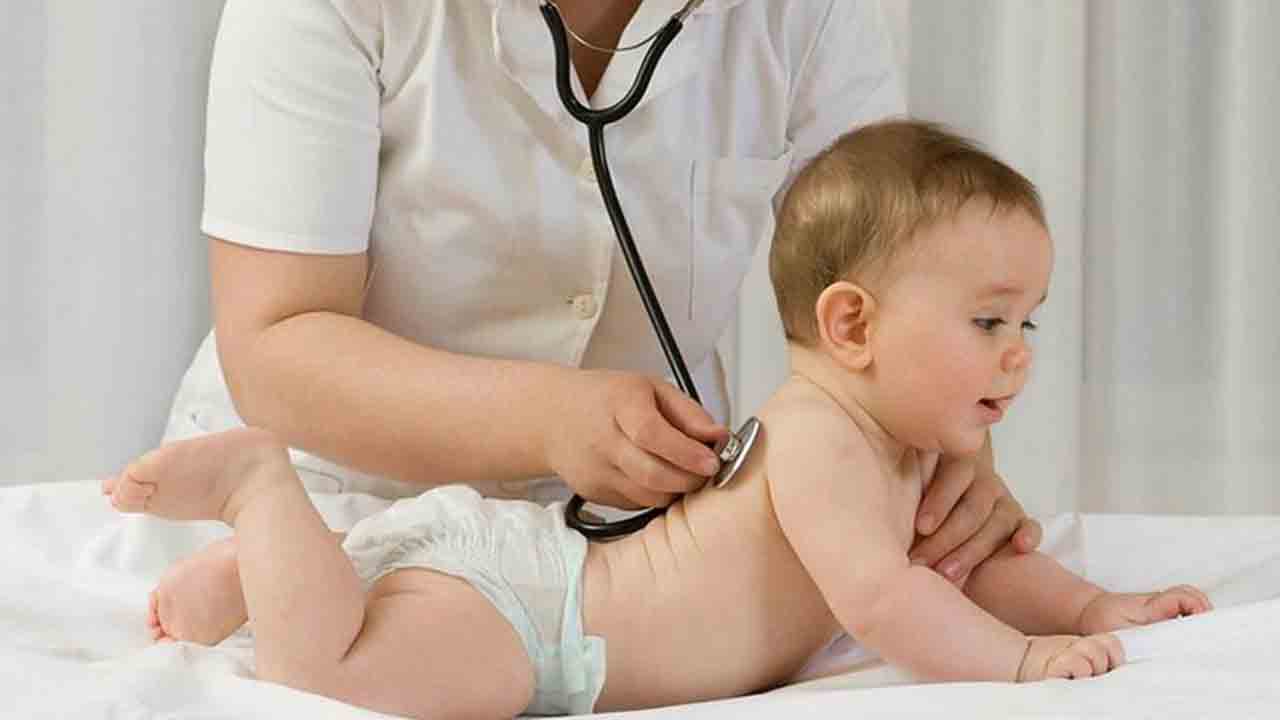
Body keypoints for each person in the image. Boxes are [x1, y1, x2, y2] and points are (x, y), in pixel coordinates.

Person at [106, 119, 1212, 718]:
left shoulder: (899, 450)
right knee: (331, 683)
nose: (1019, 353)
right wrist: (1018, 669)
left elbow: (965, 569)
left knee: (362, 618)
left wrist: (1087, 606)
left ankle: (258, 579)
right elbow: (888, 599)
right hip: (537, 619)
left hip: (529, 572)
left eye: (1028, 322)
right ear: (852, 323)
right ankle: (261, 493)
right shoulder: (822, 439)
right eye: (987, 320)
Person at [153, 0, 1040, 648]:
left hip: (646, 525)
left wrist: (947, 447)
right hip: (332, 495)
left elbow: (904, 273)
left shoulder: (807, 14)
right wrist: (547, 419)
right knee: (374, 655)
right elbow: (277, 342)